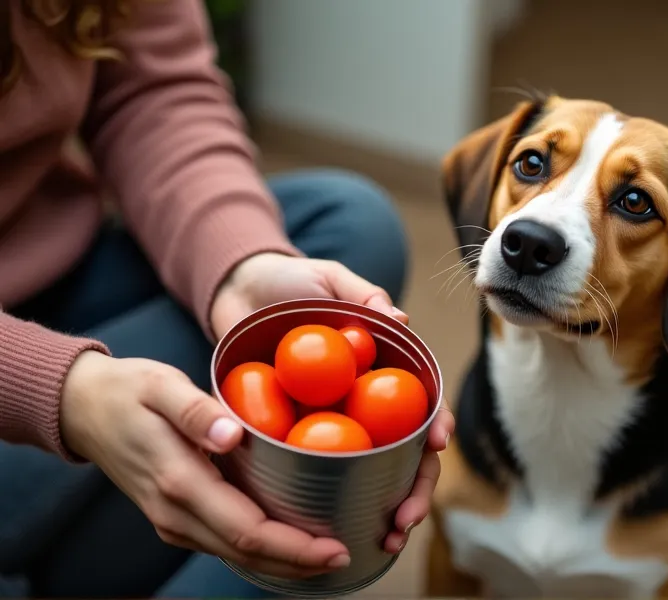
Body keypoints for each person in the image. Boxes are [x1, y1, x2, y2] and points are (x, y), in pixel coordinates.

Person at [0, 0, 454, 597]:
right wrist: (63, 392)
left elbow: (150, 92)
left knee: (351, 225)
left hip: (53, 269)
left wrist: (240, 266)